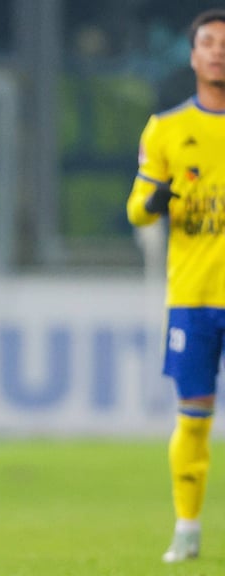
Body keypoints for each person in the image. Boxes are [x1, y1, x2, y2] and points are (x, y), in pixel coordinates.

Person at [126, 8, 225, 564]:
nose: (218, 51)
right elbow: (136, 210)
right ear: (193, 55)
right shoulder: (165, 128)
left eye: (224, 43)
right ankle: (187, 528)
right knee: (193, 415)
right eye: (208, 42)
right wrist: (155, 200)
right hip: (193, 299)